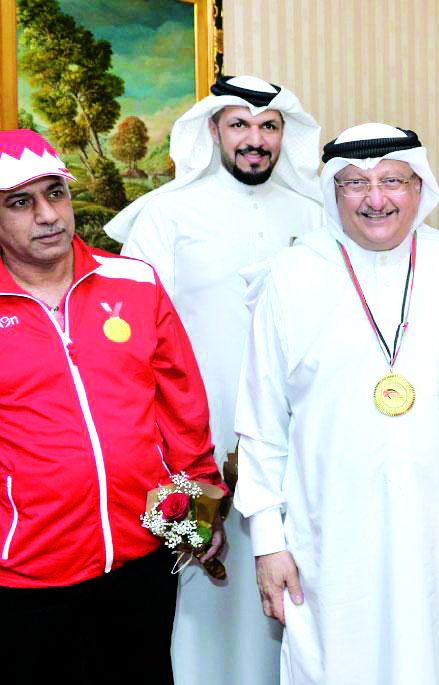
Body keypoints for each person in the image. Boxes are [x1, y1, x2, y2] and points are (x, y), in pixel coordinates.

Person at [234, 122, 439, 684]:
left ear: (419, 187)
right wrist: (268, 544)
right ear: (333, 192)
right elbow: (261, 425)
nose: (375, 199)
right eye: (355, 183)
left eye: (392, 180)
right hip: (327, 540)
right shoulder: (289, 277)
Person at [104, 74, 323, 685]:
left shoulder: (314, 214)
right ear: (213, 131)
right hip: (189, 450)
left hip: (291, 444)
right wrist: (173, 464)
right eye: (240, 125)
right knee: (200, 590)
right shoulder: (166, 215)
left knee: (292, 585)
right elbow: (131, 348)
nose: (256, 139)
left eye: (269, 126)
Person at [0, 128, 223, 683]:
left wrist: (198, 512)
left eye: (56, 194)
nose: (47, 215)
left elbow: (181, 406)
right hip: (26, 574)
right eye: (20, 203)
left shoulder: (134, 282)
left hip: (142, 558)